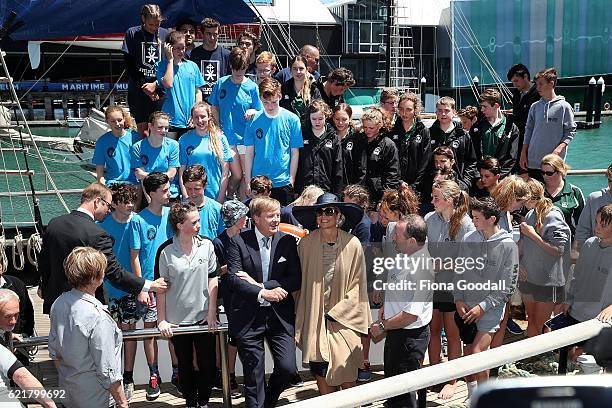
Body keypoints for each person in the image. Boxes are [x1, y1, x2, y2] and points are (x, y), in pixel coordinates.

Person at [38, 182, 167, 315]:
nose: (109, 211)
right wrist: (147, 285)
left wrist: (43, 286)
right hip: (85, 304)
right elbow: (113, 271)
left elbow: (44, 262)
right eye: (108, 206)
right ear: (97, 202)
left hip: (56, 302)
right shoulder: (97, 234)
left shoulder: (54, 224)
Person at [225, 197, 302, 408]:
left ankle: (268, 402)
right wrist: (263, 293)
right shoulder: (238, 242)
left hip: (280, 317)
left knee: (287, 369)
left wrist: (261, 285)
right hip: (248, 318)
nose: (276, 220)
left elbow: (295, 279)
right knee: (254, 377)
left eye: (278, 215)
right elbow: (233, 279)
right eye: (270, 216)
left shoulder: (287, 241)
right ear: (256, 218)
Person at [292, 193, 369, 394]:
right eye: (320, 211)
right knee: (321, 372)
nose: (324, 216)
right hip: (315, 321)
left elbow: (358, 286)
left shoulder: (353, 244)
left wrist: (339, 311)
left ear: (339, 216)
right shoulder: (305, 245)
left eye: (329, 211)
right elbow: (299, 284)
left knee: (347, 375)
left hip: (344, 321)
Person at [156, 202, 219, 408]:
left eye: (199, 220)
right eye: (194, 222)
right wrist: (162, 320)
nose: (199, 225)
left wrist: (212, 313)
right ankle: (191, 402)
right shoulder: (165, 251)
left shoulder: (207, 245)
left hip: (203, 318)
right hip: (177, 322)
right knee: (184, 364)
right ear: (180, 225)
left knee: (207, 363)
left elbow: (213, 280)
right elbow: (161, 288)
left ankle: (204, 401)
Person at [49, 247, 127, 408]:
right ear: (95, 277)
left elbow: (55, 353)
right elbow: (108, 371)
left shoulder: (59, 303)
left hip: (69, 394)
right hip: (96, 399)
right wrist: (123, 403)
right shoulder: (97, 316)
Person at [456, 198, 519, 399]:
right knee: (469, 355)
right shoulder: (468, 238)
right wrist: (458, 299)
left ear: (491, 219)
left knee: (477, 353)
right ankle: (472, 395)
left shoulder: (509, 246)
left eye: (476, 218)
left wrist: (483, 307)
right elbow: (459, 272)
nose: (472, 221)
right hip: (466, 307)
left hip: (490, 310)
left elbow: (507, 286)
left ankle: (485, 398)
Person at [371, 215, 433, 408]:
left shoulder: (422, 268)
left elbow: (410, 315)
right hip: (398, 334)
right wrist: (385, 307)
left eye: (397, 235)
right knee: (395, 392)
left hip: (409, 339)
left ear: (412, 240)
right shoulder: (405, 254)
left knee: (403, 398)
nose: (393, 238)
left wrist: (382, 326)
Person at [424, 179, 475, 399]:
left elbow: (469, 260)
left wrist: (441, 265)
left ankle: (452, 380)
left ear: (449, 200)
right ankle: (435, 374)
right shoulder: (429, 219)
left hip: (455, 286)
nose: (432, 201)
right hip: (432, 284)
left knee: (453, 334)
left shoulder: (465, 224)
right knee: (432, 331)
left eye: (436, 198)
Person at [129, 172, 173, 400]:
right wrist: (142, 287)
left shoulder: (172, 214)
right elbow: (134, 256)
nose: (169, 193)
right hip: (150, 285)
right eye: (164, 191)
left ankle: (177, 370)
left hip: (171, 283)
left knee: (175, 325)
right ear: (150, 193)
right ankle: (153, 373)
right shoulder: (138, 220)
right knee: (149, 330)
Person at [98, 183, 140, 401]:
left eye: (133, 200)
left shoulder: (137, 222)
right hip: (108, 288)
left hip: (131, 287)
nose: (131, 205)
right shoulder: (100, 225)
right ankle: (113, 378)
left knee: (130, 332)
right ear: (114, 204)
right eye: (125, 201)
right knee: (112, 334)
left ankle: (129, 375)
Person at [519, 178, 571, 338]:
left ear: (531, 198)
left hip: (548, 282)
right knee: (531, 320)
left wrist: (533, 235)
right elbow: (523, 244)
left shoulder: (553, 216)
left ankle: (543, 356)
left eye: (522, 198)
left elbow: (558, 250)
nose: (520, 202)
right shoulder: (529, 214)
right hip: (529, 278)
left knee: (541, 323)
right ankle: (532, 358)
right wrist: (517, 263)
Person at [209, 47, 262, 200]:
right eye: (236, 69)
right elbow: (214, 106)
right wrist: (217, 128)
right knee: (236, 175)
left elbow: (259, 110)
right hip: (227, 137)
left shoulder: (252, 87)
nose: (239, 73)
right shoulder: (221, 83)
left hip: (246, 138)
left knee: (246, 177)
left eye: (243, 69)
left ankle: (242, 205)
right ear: (230, 66)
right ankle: (229, 196)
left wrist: (253, 112)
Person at [562, 204, 612, 360]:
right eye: (596, 222)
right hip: (577, 311)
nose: (596, 228)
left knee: (596, 360)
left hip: (600, 319)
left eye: (603, 225)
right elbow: (577, 276)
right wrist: (569, 299)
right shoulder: (589, 244)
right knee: (568, 354)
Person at [244, 78, 303, 206]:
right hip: (258, 181)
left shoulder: (292, 119)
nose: (270, 106)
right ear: (260, 98)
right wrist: (248, 180)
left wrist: (291, 178)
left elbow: (295, 152)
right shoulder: (252, 120)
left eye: (273, 102)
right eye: (265, 102)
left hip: (282, 181)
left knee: (282, 221)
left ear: (280, 96)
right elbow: (249, 153)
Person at [213, 199, 250, 397]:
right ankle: (230, 375)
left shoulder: (248, 236)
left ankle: (249, 376)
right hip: (232, 295)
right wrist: (234, 265)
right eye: (243, 216)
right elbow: (215, 271)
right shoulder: (218, 242)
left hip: (249, 293)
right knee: (234, 338)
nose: (246, 220)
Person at [520, 68, 576, 180]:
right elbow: (528, 130)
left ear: (551, 83)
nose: (537, 87)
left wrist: (558, 150)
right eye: (536, 84)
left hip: (553, 163)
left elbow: (571, 131)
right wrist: (523, 153)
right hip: (533, 162)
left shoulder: (564, 106)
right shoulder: (534, 106)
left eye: (541, 84)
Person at [122, 4, 167, 137]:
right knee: (144, 133)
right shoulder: (132, 33)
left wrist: (156, 86)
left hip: (159, 90)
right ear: (143, 19)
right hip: (138, 89)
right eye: (150, 25)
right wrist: (144, 87)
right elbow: (129, 64)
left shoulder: (166, 34)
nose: (153, 28)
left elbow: (169, 64)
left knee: (159, 130)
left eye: (157, 25)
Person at [179, 102, 232, 203]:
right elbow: (182, 171)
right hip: (192, 195)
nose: (200, 120)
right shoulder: (184, 139)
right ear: (192, 119)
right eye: (196, 117)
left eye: (203, 117)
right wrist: (186, 197)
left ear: (209, 117)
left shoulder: (220, 138)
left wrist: (220, 198)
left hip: (215, 194)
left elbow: (225, 172)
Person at [156, 31, 204, 138]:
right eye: (177, 48)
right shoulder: (162, 66)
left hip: (189, 119)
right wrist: (170, 60)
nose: (181, 51)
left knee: (188, 150)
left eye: (183, 48)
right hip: (170, 119)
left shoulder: (192, 66)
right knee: (170, 150)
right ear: (169, 48)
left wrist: (196, 112)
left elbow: (198, 91)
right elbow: (168, 83)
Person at [429, 96, 478, 192]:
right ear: (436, 112)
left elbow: (472, 161)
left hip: (458, 186)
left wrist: (465, 182)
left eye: (447, 110)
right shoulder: (429, 134)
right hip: (434, 186)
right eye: (440, 110)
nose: (443, 114)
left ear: (454, 112)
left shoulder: (463, 135)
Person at [295, 100, 344, 195]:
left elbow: (338, 168)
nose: (317, 122)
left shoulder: (333, 137)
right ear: (309, 117)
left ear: (326, 116)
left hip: (326, 189)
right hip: (304, 189)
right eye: (314, 119)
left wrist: (337, 193)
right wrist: (296, 190)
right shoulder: (302, 135)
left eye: (320, 119)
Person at [388, 92, 432, 196]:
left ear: (415, 110)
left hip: (416, 188)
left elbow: (425, 161)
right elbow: (389, 160)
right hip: (395, 185)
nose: (404, 113)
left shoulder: (423, 131)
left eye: (408, 109)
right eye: (401, 109)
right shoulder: (392, 131)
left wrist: (414, 186)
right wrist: (399, 182)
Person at [131, 111, 180, 199]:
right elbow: (140, 178)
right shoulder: (137, 147)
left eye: (166, 128)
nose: (164, 131)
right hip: (150, 193)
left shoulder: (173, 145)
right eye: (160, 127)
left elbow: (172, 174)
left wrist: (146, 174)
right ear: (150, 126)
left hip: (171, 193)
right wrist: (149, 200)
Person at [472, 88, 520, 177]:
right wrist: (479, 177)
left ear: (496, 105)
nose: (482, 110)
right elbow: (472, 156)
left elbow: (512, 157)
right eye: (481, 106)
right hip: (481, 179)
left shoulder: (511, 127)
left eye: (485, 106)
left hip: (502, 180)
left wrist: (498, 176)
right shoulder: (477, 127)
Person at [360, 107, 400, 204]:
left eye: (371, 128)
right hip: (361, 193)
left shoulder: (388, 145)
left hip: (379, 194)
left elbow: (393, 174)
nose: (367, 130)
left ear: (380, 125)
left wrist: (385, 199)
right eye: (365, 127)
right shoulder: (359, 140)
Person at [541, 154, 585, 240]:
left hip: (568, 242)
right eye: (543, 173)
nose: (545, 176)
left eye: (549, 173)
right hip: (540, 242)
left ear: (560, 171)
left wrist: (575, 248)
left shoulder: (575, 192)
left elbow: (582, 223)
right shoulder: (538, 191)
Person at [93, 105, 139, 186]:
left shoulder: (135, 137)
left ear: (124, 119)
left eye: (119, 120)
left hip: (134, 183)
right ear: (107, 121)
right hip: (112, 184)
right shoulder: (102, 142)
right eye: (113, 121)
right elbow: (100, 173)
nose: (117, 124)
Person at [507, 63, 540, 168]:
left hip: (533, 139)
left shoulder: (538, 93)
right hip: (519, 138)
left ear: (525, 77)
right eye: (512, 82)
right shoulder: (516, 94)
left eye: (516, 81)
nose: (514, 85)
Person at [190, 18, 231, 101]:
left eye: (215, 34)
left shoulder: (226, 55)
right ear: (202, 34)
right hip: (200, 103)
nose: (212, 38)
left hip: (220, 103)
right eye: (208, 34)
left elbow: (230, 81)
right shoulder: (194, 54)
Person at [183, 164, 225, 240]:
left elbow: (222, 237)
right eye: (188, 189)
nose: (192, 193)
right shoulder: (180, 210)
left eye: (197, 189)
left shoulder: (217, 209)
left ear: (205, 186)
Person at [576, 163, 612, 249]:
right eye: (610, 181)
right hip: (597, 254)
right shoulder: (594, 199)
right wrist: (585, 253)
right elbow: (582, 230)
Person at [332, 103, 366, 186]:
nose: (340, 122)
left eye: (344, 119)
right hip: (332, 187)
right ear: (333, 118)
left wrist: (356, 188)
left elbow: (361, 167)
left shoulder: (357, 138)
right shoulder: (329, 137)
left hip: (351, 188)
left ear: (350, 118)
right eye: (337, 119)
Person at [279, 56, 321, 120]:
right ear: (290, 70)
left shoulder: (313, 89)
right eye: (295, 69)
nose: (298, 72)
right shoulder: (284, 89)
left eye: (301, 68)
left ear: (306, 70)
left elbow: (319, 109)